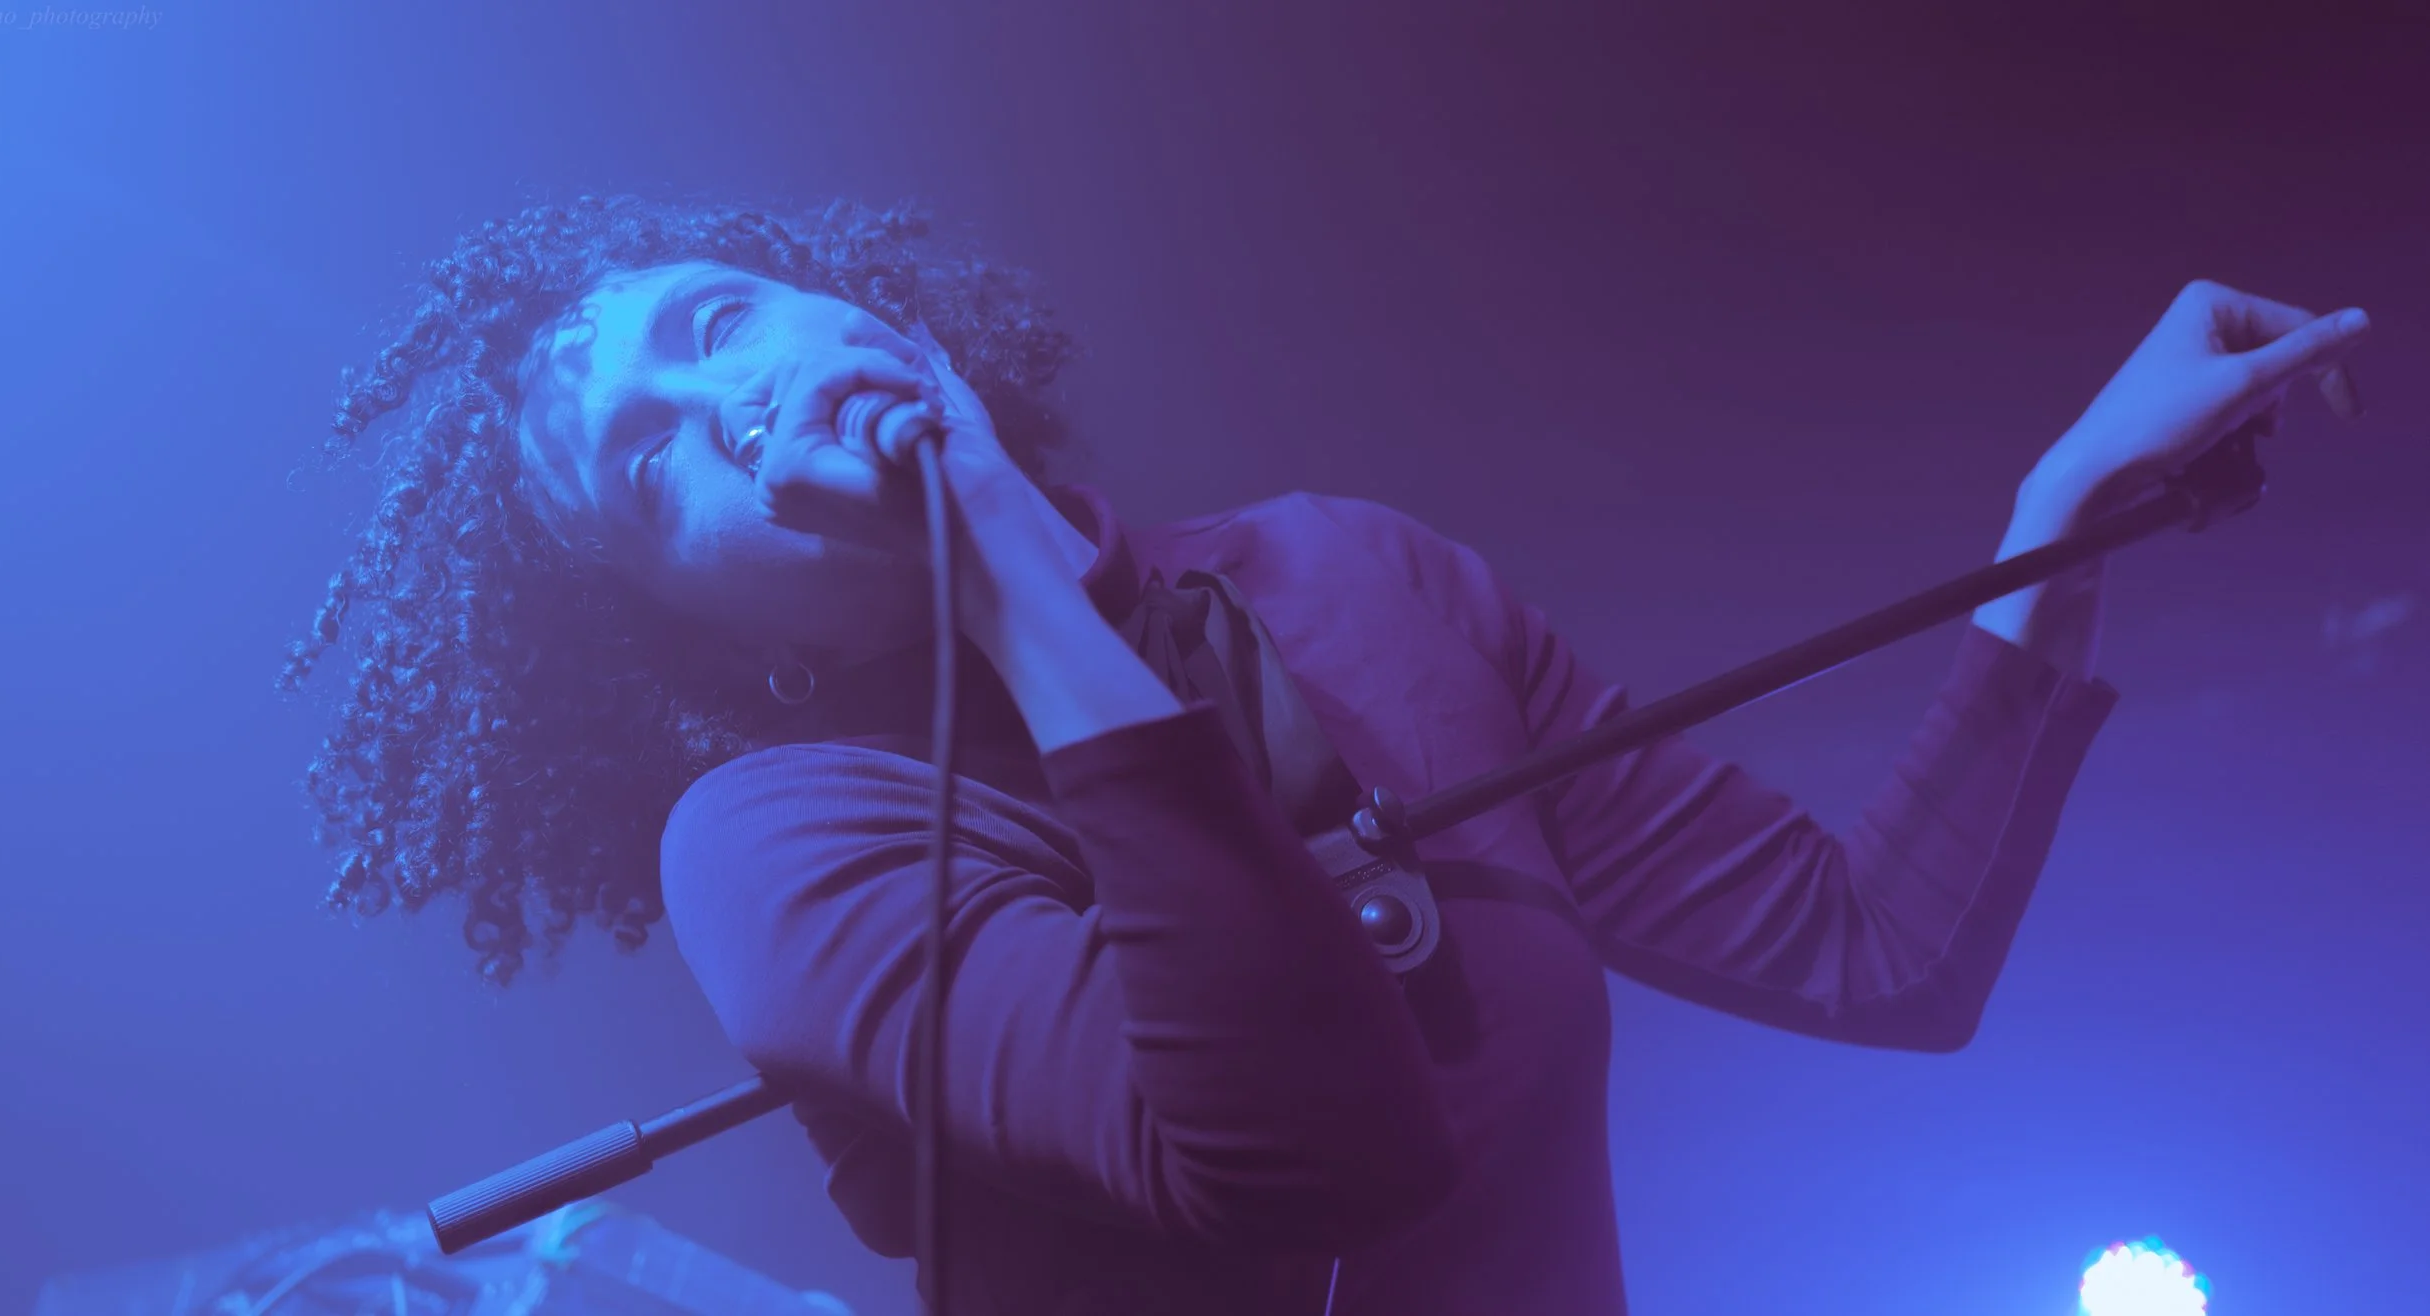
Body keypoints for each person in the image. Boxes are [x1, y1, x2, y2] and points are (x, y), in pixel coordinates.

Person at [284, 194, 2369, 1315]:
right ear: (692, 635)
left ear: (855, 310)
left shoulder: (1348, 578)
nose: (725, 403)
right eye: (647, 457)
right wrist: (1004, 571)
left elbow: (1869, 954)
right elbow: (1308, 1148)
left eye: (722, 322)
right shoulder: (774, 840)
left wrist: (2052, 531)